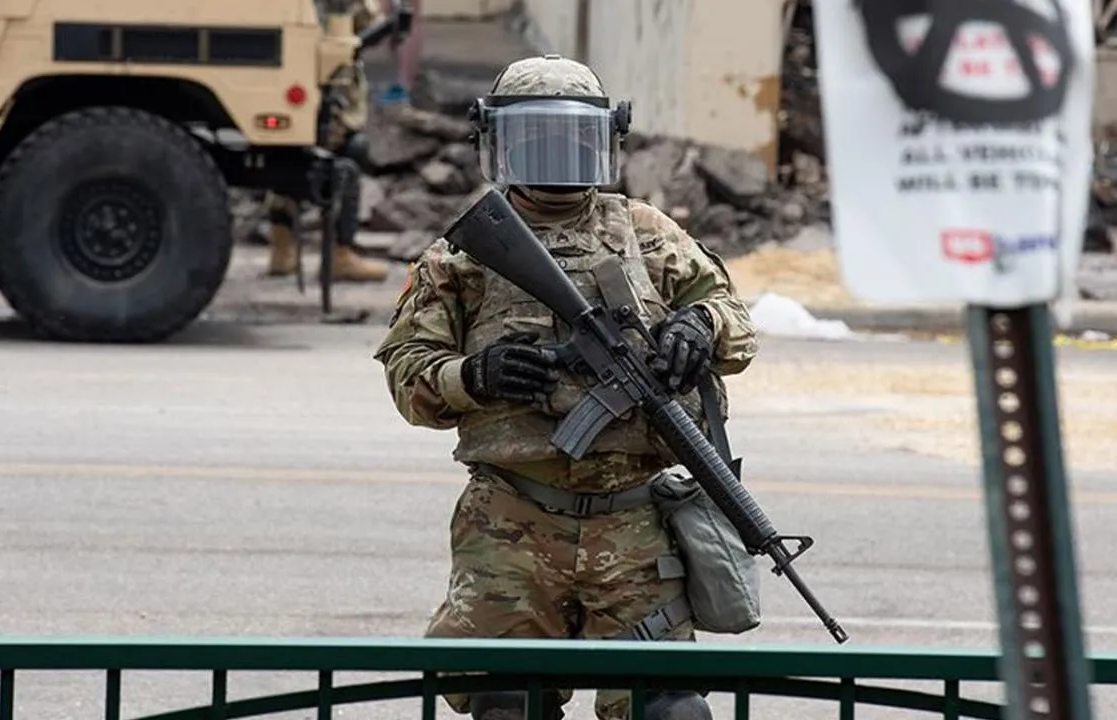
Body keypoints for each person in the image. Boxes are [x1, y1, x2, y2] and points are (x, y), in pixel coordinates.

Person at [373, 54, 759, 720]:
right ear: (497, 141)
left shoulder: (647, 234)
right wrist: (474, 376)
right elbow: (409, 374)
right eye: (535, 137)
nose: (555, 156)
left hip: (635, 526)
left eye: (572, 137)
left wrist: (701, 325)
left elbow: (734, 319)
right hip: (511, 523)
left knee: (670, 711)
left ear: (604, 140)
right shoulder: (463, 256)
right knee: (505, 705)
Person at [264, 0, 390, 282]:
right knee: (347, 153)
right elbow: (363, 21)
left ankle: (282, 248)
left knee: (286, 154)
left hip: (286, 72)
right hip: (321, 78)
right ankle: (340, 254)